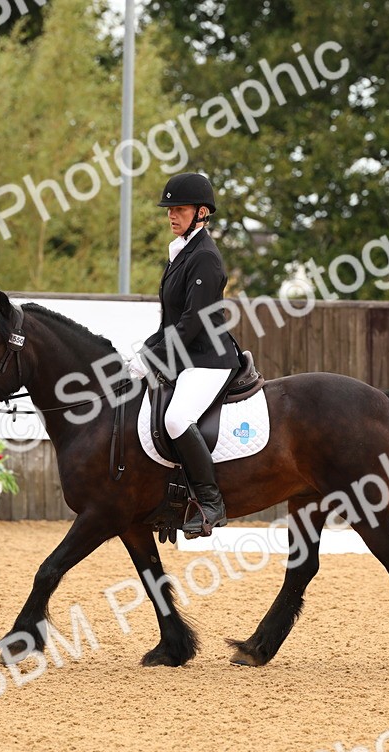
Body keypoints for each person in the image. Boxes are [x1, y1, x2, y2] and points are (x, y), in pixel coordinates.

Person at [127, 172, 240, 537]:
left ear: (202, 212)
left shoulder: (205, 256)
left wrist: (155, 359)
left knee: (175, 419)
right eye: (170, 209)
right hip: (187, 356)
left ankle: (210, 502)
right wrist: (146, 352)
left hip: (208, 359)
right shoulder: (181, 253)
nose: (172, 216)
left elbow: (192, 322)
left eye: (180, 209)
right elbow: (170, 321)